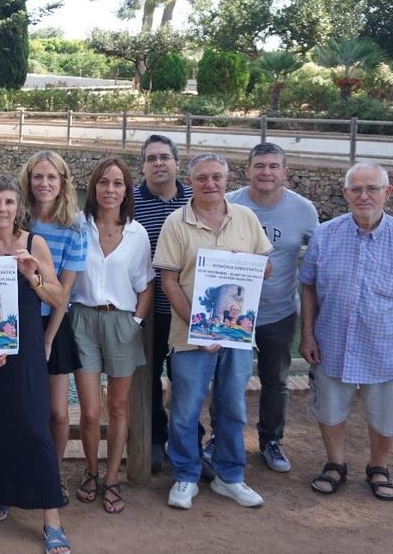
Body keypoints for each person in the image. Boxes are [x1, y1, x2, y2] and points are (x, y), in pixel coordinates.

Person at [298, 161, 393, 501]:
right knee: (329, 408)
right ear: (345, 193)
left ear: (387, 192)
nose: (364, 195)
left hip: (388, 346)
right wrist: (308, 335)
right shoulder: (325, 234)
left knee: (386, 413)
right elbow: (309, 287)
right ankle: (335, 463)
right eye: (356, 189)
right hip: (332, 341)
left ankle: (378, 466)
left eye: (372, 188)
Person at [153, 153, 272, 511]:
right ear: (190, 181)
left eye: (217, 177)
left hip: (236, 335)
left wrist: (244, 264)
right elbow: (168, 281)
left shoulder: (246, 218)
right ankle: (186, 475)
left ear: (227, 178)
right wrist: (199, 327)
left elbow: (266, 270)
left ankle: (230, 476)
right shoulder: (177, 222)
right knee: (186, 410)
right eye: (202, 177)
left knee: (232, 407)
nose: (210, 183)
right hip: (190, 336)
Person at [0, 176, 71, 554]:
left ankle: (51, 518)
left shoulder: (33, 243)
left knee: (32, 426)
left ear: (18, 206)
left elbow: (57, 297)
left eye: (9, 202)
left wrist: (33, 273)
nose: (2, 209)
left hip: (25, 349)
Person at [215, 143, 318, 473]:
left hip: (279, 311)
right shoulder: (228, 203)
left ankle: (271, 440)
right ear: (247, 171)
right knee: (227, 379)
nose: (266, 172)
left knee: (275, 380)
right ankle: (221, 437)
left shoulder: (304, 210)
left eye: (274, 166)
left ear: (286, 172)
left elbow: (316, 268)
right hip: (233, 311)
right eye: (259, 166)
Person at [69, 158, 154, 514]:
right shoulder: (77, 226)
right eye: (104, 182)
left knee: (117, 407)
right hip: (83, 320)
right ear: (94, 187)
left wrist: (135, 321)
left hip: (120, 321)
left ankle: (113, 477)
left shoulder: (137, 234)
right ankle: (91, 471)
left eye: (118, 184)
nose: (110, 190)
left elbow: (146, 283)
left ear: (126, 190)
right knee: (90, 411)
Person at [19, 151, 86, 507]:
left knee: (58, 412)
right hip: (20, 320)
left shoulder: (75, 227)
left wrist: (48, 338)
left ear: (62, 183)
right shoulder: (19, 220)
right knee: (23, 408)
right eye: (38, 177)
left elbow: (66, 290)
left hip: (54, 323)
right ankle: (19, 474)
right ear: (28, 181)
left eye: (51, 178)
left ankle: (52, 475)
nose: (44, 184)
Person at [131, 134, 192, 472]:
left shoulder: (195, 200)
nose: (158, 163)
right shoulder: (131, 202)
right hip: (147, 309)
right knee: (149, 378)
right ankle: (154, 438)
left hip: (186, 310)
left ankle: (190, 442)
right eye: (151, 158)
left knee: (188, 380)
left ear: (176, 163)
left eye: (164, 157)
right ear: (143, 165)